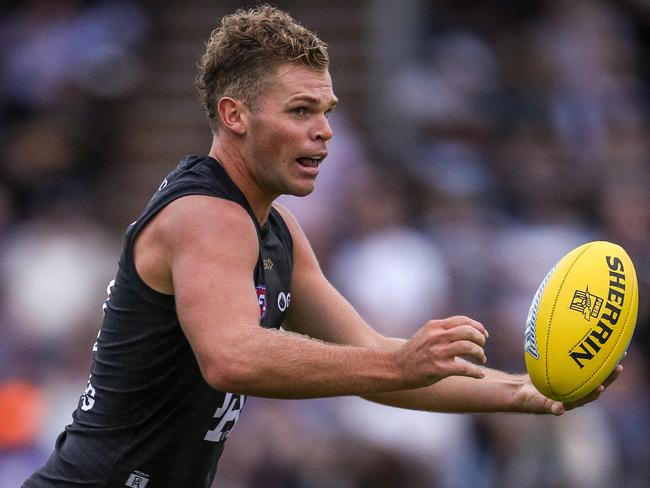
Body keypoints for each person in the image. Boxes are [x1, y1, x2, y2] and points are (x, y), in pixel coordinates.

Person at [23, 5, 622, 487]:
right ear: (235, 115)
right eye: (300, 110)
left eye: (327, 111)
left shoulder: (278, 232)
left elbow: (373, 358)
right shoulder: (206, 214)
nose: (325, 130)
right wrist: (395, 364)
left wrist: (524, 391)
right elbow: (233, 357)